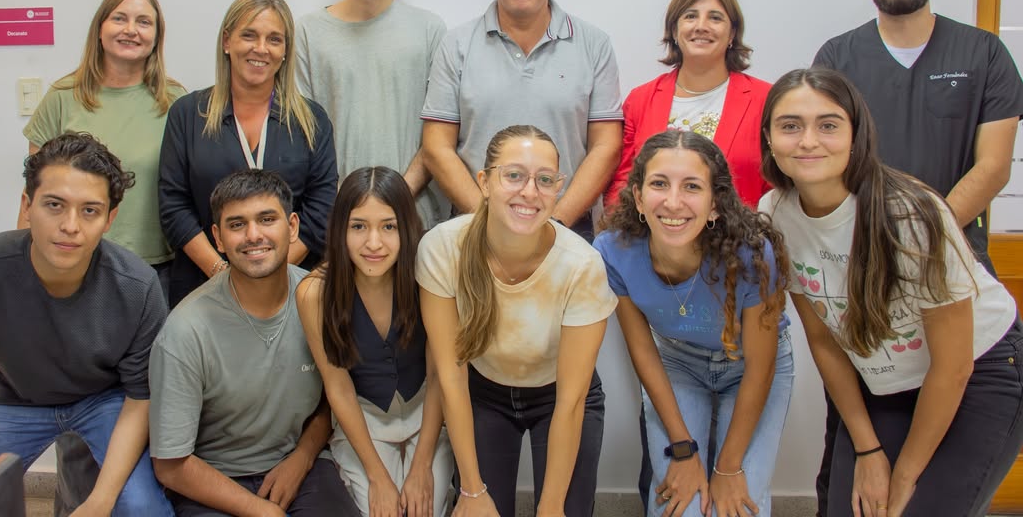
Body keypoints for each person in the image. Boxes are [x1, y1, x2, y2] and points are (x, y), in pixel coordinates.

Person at [812, 0, 1023, 516]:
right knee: (854, 470)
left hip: (953, 263)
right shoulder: (840, 56)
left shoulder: (982, 53)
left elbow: (994, 167)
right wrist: (877, 251)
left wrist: (917, 239)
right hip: (862, 277)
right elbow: (826, 161)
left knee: (940, 467)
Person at [759, 67, 1023, 517]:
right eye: (790, 126)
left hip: (980, 372)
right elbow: (824, 341)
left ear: (856, 134)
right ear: (768, 138)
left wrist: (904, 475)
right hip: (887, 384)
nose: (807, 141)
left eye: (828, 125)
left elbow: (953, 366)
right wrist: (867, 451)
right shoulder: (775, 213)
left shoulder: (912, 215)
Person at [0, 132, 172, 516]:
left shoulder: (137, 286)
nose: (70, 225)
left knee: (140, 507)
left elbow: (140, 398)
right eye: (54, 205)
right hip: (16, 398)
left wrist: (100, 501)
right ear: (27, 205)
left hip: (106, 399)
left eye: (89, 210)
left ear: (109, 219)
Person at [21, 0, 185, 516]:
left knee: (146, 402)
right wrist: (24, 271)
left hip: (151, 276)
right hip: (70, 278)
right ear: (100, 27)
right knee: (74, 404)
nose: (131, 30)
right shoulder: (63, 97)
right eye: (120, 18)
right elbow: (33, 193)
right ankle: (77, 506)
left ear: (157, 37)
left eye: (144, 22)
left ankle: (137, 500)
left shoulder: (176, 103)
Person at [417, 124, 618, 517]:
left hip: (560, 396)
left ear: (558, 188)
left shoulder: (582, 264)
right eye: (514, 175)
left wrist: (551, 507)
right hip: (482, 393)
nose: (530, 192)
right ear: (484, 182)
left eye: (545, 180)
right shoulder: (442, 248)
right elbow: (450, 375)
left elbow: (571, 400)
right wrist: (472, 492)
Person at [596, 130, 792, 517]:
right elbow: (642, 352)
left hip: (750, 367)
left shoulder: (753, 254)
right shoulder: (611, 251)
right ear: (637, 196)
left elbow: (760, 367)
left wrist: (727, 466)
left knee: (737, 505)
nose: (673, 202)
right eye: (658, 184)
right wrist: (683, 451)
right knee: (678, 505)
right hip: (677, 364)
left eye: (691, 186)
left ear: (715, 203)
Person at [149, 169, 356, 517]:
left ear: (292, 227)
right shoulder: (185, 331)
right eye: (236, 224)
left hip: (298, 463)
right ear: (218, 237)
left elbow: (331, 402)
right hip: (211, 479)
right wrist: (261, 511)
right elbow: (171, 465)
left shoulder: (320, 301)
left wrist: (302, 458)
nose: (253, 235)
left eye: (266, 219)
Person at [421, 0, 623, 240]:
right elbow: (436, 147)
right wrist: (487, 222)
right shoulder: (457, 44)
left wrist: (555, 225)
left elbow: (607, 146)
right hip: (474, 228)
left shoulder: (594, 44)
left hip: (568, 230)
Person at [159, 0, 338, 306]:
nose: (261, 49)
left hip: (292, 287)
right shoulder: (187, 114)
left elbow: (320, 208)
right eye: (249, 36)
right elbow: (174, 205)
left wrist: (270, 272)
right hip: (205, 286)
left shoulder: (311, 119)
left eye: (274, 39)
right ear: (227, 42)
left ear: (285, 50)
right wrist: (225, 275)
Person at [297, 167, 453, 517]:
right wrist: (378, 477)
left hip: (426, 415)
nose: (373, 243)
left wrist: (422, 466)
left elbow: (440, 375)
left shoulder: (429, 276)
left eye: (388, 226)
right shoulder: (314, 293)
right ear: (340, 229)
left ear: (407, 228)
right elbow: (337, 388)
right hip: (363, 422)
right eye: (358, 226)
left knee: (424, 510)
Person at [296, 0, 448, 229]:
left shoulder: (430, 30)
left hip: (414, 219)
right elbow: (304, 137)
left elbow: (439, 136)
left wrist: (395, 203)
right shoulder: (308, 33)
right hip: (336, 221)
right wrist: (349, 209)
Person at [605, 0, 771, 209]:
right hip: (654, 240)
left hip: (737, 239)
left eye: (715, 18)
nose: (701, 26)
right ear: (674, 29)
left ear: (732, 33)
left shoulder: (765, 100)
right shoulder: (641, 100)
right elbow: (623, 184)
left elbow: (777, 186)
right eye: (690, 16)